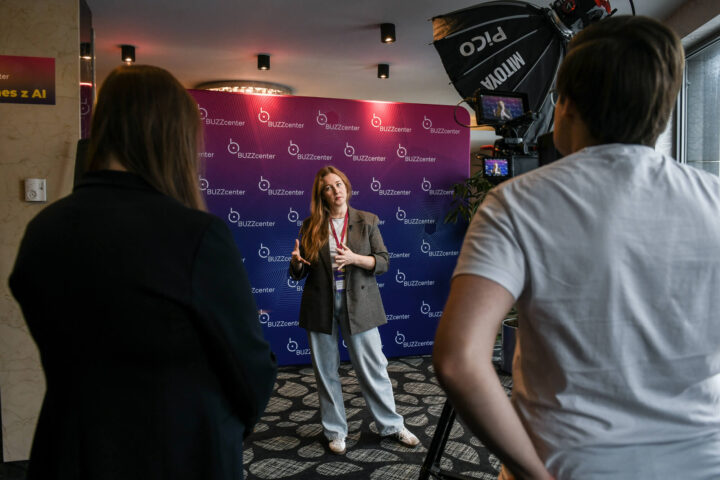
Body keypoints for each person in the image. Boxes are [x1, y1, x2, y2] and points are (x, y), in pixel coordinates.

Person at [433, 15, 720, 480]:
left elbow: (458, 360)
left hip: (567, 465)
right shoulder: (716, 201)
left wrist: (533, 473)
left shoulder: (516, 203)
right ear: (664, 110)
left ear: (564, 106)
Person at [9, 65, 277, 480]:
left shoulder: (43, 229)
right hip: (176, 454)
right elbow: (251, 373)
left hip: (66, 454)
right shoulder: (195, 235)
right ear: (174, 135)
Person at [289, 165, 420, 455]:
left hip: (359, 304)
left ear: (346, 187)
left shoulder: (367, 220)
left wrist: (355, 258)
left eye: (338, 184)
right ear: (322, 195)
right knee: (326, 372)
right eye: (328, 187)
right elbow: (300, 272)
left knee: (374, 368)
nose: (335, 190)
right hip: (320, 305)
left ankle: (392, 425)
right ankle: (335, 431)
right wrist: (296, 263)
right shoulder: (311, 225)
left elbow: (383, 262)